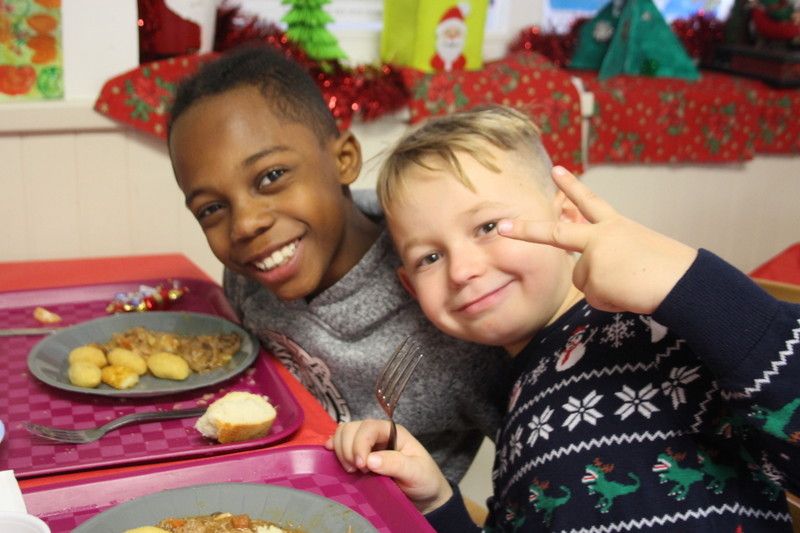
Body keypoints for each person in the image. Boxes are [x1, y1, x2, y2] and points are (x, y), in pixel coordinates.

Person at [326, 105, 800, 531]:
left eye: (488, 227)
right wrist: (437, 501)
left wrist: (685, 281)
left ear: (568, 218)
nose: (463, 270)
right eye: (429, 257)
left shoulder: (650, 326)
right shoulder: (516, 406)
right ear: (410, 286)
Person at [166, 44, 509, 482]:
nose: (245, 224)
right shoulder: (248, 274)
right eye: (212, 209)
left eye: (271, 176)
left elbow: (542, 476)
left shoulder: (453, 302)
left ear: (344, 159)